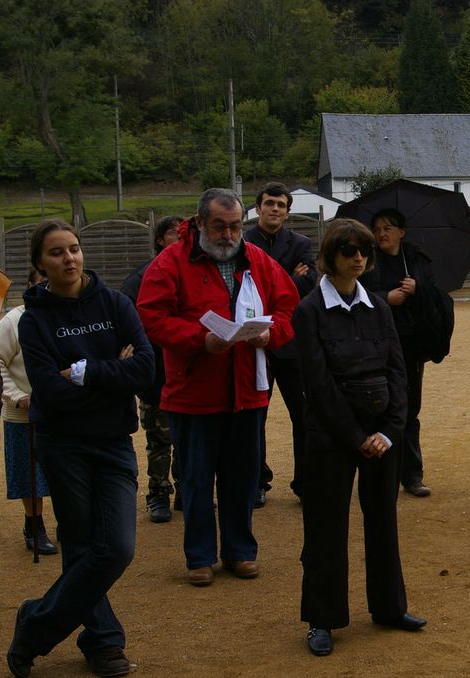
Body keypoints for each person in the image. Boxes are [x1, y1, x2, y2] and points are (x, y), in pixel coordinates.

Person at [7, 220, 154, 678]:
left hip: (113, 442)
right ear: (39, 265)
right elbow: (50, 393)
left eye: (73, 249)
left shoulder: (115, 304)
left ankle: (34, 623)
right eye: (56, 253)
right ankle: (104, 642)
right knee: (82, 544)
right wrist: (113, 372)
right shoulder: (33, 321)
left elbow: (147, 371)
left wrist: (85, 373)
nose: (68, 259)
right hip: (62, 444)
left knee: (117, 548)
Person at [136, 188, 299, 587]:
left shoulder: (257, 260)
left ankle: (241, 551)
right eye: (219, 226)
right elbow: (151, 316)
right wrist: (198, 339)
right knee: (195, 478)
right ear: (199, 223)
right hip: (193, 392)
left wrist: (271, 332)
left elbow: (289, 306)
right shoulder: (170, 262)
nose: (228, 235)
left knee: (241, 476)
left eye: (234, 226)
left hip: (247, 390)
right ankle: (200, 556)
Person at [293, 218, 426, 656]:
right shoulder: (309, 311)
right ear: (330, 256)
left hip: (381, 432)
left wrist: (389, 430)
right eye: (348, 249)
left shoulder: (379, 306)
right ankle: (322, 619)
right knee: (326, 527)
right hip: (332, 435)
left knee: (383, 522)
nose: (358, 257)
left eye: (363, 250)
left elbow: (397, 372)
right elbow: (317, 383)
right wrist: (355, 436)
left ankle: (389, 608)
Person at [243, 182, 317, 505]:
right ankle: (257, 480)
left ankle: (305, 481)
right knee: (253, 417)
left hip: (290, 343)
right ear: (257, 208)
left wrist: (277, 285)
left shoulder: (301, 242)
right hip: (252, 343)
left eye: (281, 205)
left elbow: (309, 283)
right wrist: (290, 278)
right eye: (269, 203)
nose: (275, 209)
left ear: (288, 212)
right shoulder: (243, 241)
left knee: (303, 415)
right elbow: (244, 286)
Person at [359, 207, 437, 497]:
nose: (382, 234)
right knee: (381, 409)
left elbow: (437, 295)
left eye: (388, 228)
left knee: (410, 410)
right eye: (377, 229)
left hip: (411, 344)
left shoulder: (416, 259)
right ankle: (383, 474)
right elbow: (353, 294)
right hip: (376, 346)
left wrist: (419, 288)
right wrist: (384, 298)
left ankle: (412, 475)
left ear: (401, 232)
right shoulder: (365, 260)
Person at [0, 268, 58, 556]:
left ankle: (69, 523)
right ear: (30, 287)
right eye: (41, 284)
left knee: (66, 469)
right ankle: (35, 524)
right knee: (30, 474)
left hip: (63, 410)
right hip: (24, 412)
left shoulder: (67, 319)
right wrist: (17, 396)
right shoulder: (14, 320)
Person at [120, 215, 181, 522]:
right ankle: (158, 493)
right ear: (160, 240)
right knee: (159, 439)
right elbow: (126, 319)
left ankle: (187, 490)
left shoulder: (196, 272)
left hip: (189, 371)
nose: (180, 238)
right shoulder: (143, 276)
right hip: (155, 373)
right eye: (174, 234)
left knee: (190, 439)